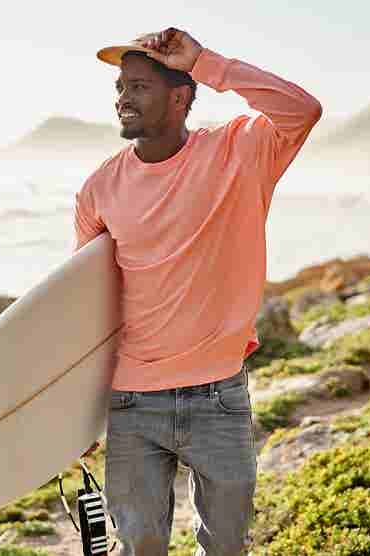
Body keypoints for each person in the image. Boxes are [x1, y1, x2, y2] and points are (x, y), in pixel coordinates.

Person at [73, 27, 322, 556]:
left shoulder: (239, 152)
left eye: (139, 86)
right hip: (133, 400)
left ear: (180, 96)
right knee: (140, 546)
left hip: (218, 395)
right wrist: (74, 413)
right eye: (120, 87)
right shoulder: (99, 189)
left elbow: (301, 110)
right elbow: (86, 308)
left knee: (227, 545)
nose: (122, 98)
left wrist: (208, 62)